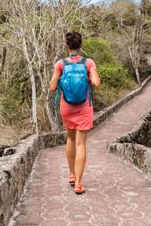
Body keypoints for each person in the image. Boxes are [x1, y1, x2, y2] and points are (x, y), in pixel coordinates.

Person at [49, 32, 100, 195]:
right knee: (81, 144)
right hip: (84, 106)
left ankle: (71, 174)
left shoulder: (61, 64)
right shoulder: (88, 62)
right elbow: (96, 83)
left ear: (67, 46)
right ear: (81, 46)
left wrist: (63, 83)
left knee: (70, 138)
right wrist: (90, 77)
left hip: (67, 106)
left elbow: (52, 86)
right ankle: (78, 183)